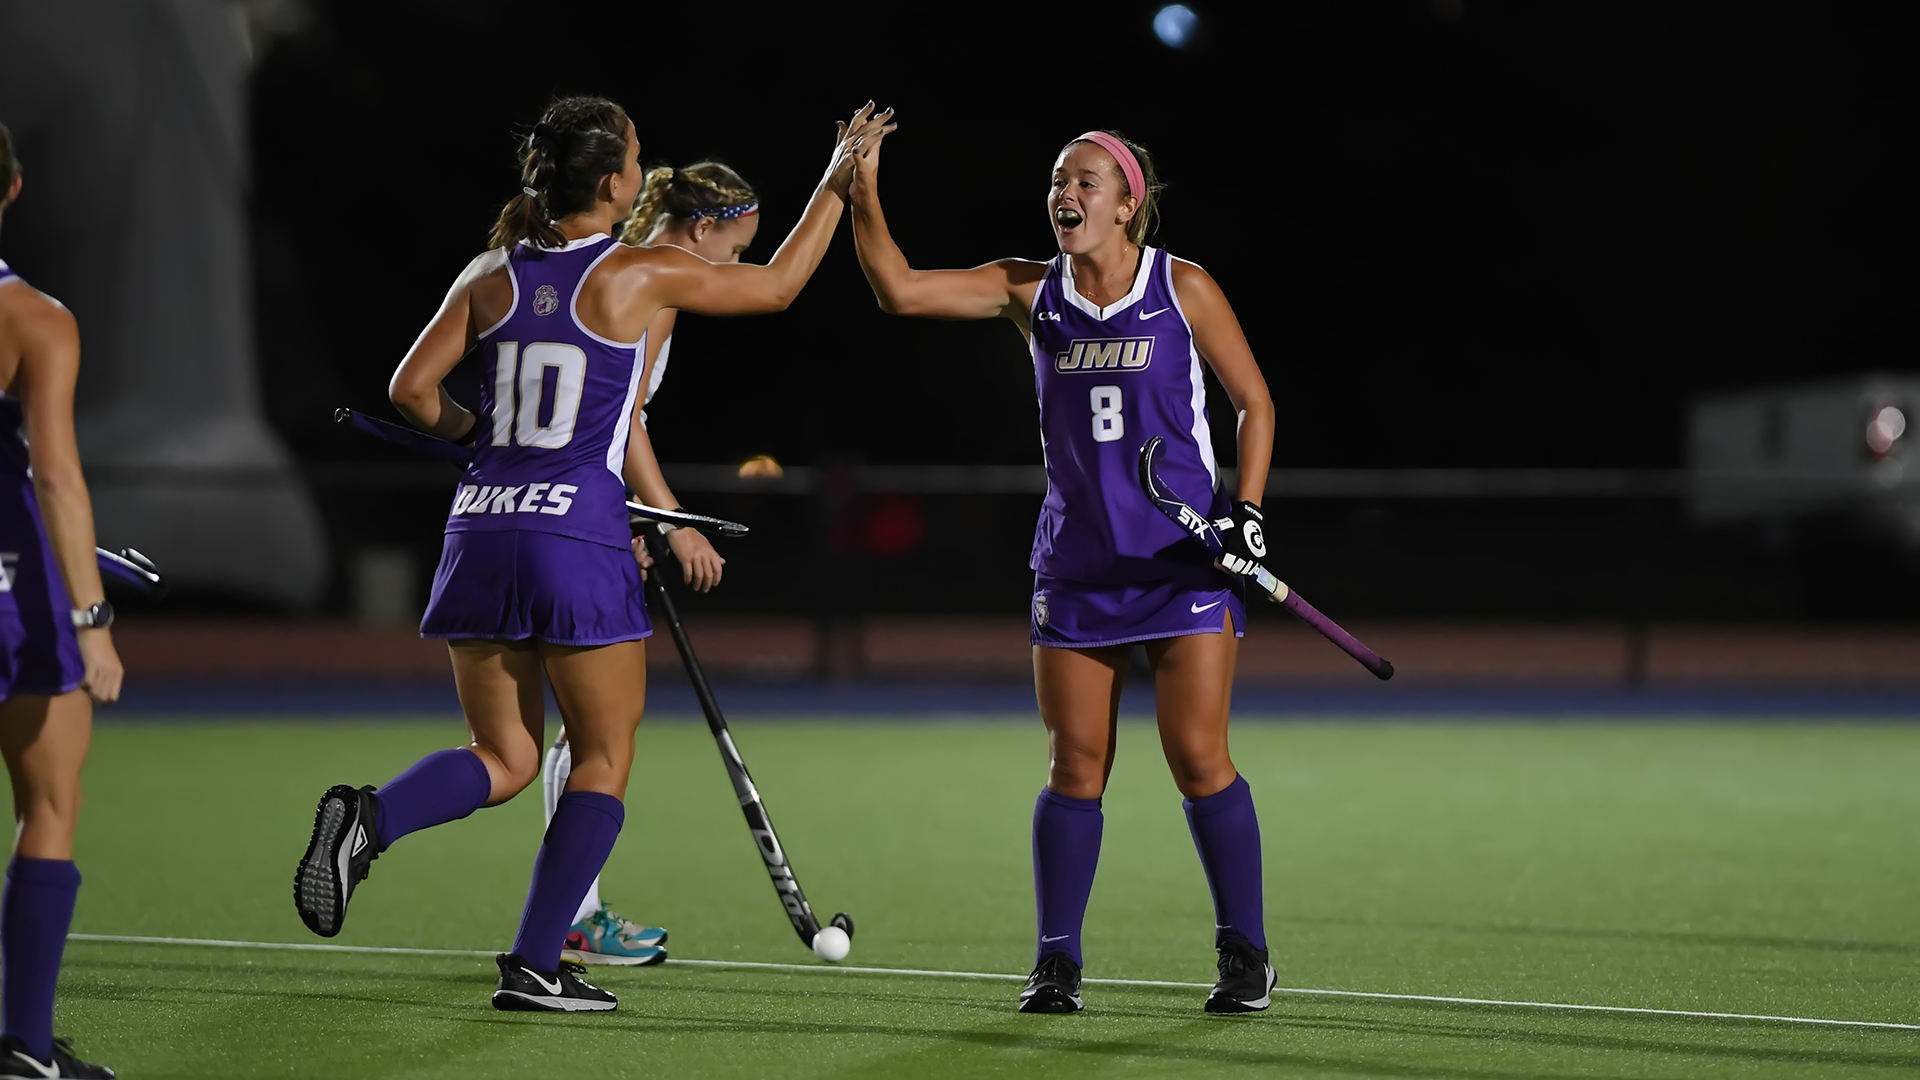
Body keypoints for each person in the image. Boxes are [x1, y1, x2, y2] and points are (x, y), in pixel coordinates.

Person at [293, 96, 890, 1012]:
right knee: (603, 756)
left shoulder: (489, 273)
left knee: (503, 756)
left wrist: (478, 434)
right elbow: (775, 287)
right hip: (576, 533)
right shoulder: (637, 275)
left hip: (480, 526)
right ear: (611, 184)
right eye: (635, 158)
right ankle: (536, 963)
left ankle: (373, 817)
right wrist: (837, 183)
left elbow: (411, 389)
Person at [849, 128, 1278, 1014]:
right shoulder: (1029, 289)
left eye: (1085, 182)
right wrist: (862, 195)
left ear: (1128, 202)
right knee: (1075, 765)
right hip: (1078, 567)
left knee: (1199, 758)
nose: (1064, 195)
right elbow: (897, 290)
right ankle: (1057, 960)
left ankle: (1245, 952)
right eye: (1055, 182)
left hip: (1181, 563)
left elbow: (1254, 401)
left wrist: (1251, 512)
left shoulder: (1181, 286)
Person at [541, 161, 760, 966]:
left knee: (575, 728)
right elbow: (623, 418)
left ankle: (570, 914)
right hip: (576, 521)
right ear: (700, 231)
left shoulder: (615, 273)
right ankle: (570, 919)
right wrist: (671, 524)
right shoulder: (654, 287)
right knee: (591, 733)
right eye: (734, 250)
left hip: (574, 509)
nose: (731, 267)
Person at [0, 121, 122, 1078]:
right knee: (48, 804)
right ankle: (23, 1050)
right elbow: (57, 478)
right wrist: (91, 617)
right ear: (12, 190)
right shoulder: (36, 318)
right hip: (15, 600)